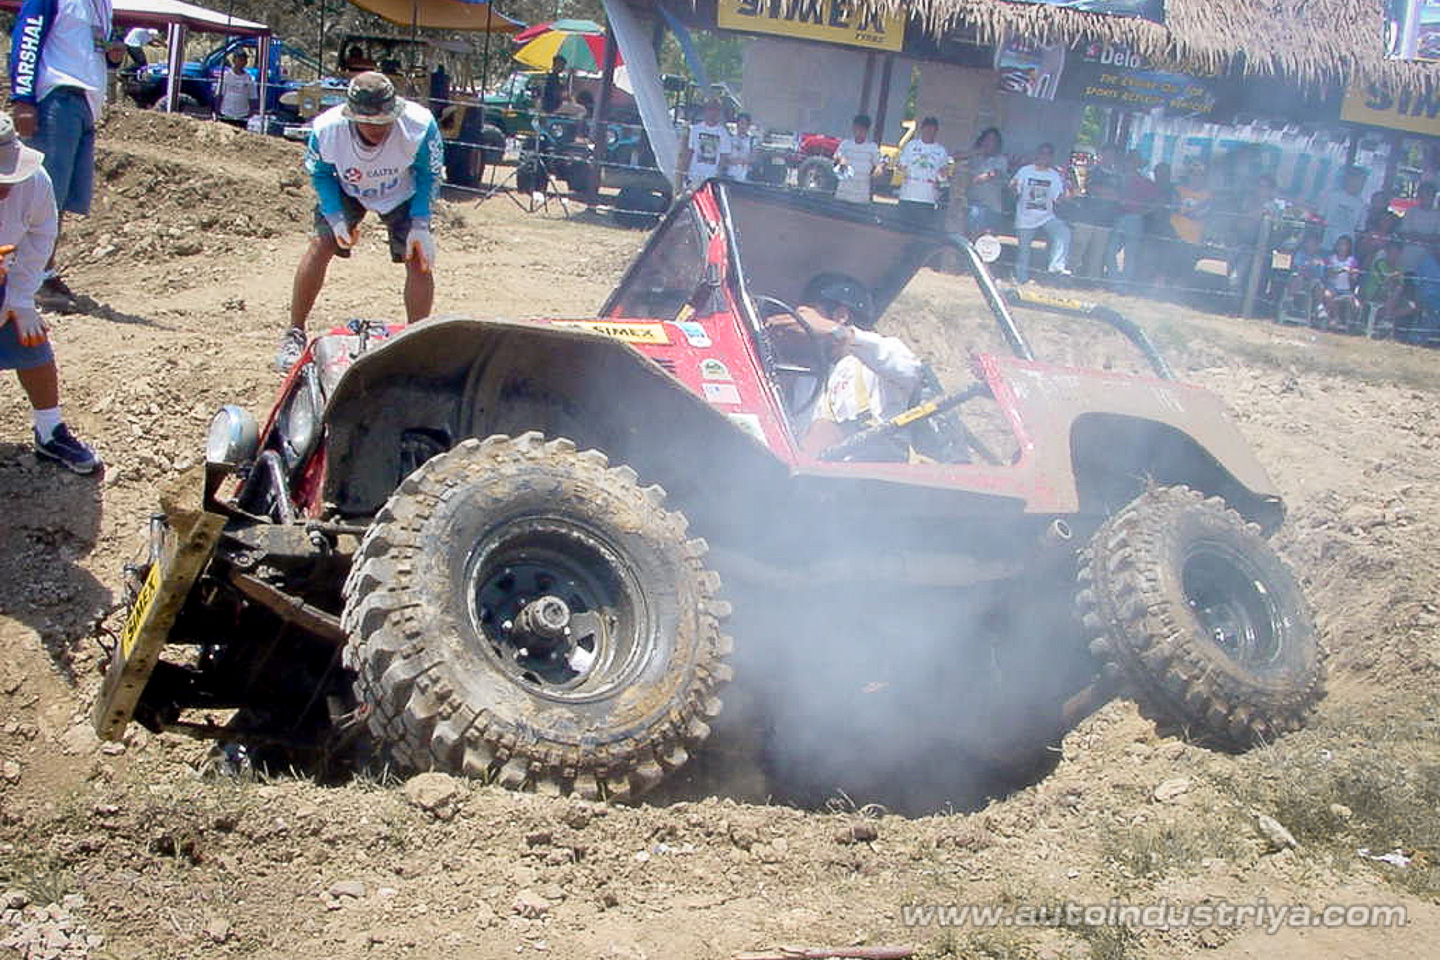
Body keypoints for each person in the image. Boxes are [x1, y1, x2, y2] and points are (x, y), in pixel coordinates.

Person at [277, 72, 442, 372]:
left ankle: (420, 341)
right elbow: (321, 173)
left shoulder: (420, 126)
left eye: (385, 120)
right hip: (347, 189)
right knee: (321, 244)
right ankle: (294, 332)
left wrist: (420, 223)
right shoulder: (328, 130)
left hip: (402, 191)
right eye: (370, 122)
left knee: (419, 259)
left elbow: (429, 174)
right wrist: (335, 216)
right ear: (352, 116)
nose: (379, 128)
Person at [9, 0, 125, 312]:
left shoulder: (102, 4)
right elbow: (28, 36)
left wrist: (112, 58)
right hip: (57, 97)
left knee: (60, 199)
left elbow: (85, 47)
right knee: (43, 195)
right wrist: (23, 98)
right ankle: (29, 280)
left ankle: (44, 273)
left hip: (85, 103)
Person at [0, 114, 98, 473]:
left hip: (5, 280)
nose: (6, 189)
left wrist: (20, 300)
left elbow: (39, 242)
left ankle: (49, 431)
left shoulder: (36, 184)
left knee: (32, 343)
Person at [775, 274, 922, 459]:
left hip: (878, 470)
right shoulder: (806, 378)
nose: (800, 326)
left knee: (825, 429)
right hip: (823, 477)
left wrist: (836, 331)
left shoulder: (878, 359)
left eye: (806, 318)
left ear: (841, 316)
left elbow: (912, 369)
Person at [1010, 143, 1071, 284]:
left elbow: (1059, 199)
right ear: (1037, 154)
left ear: (1051, 157)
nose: (1044, 156)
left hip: (1046, 217)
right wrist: (1013, 186)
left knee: (1063, 232)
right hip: (1025, 217)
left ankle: (1056, 267)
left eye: (1048, 154)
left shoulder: (1054, 175)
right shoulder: (1025, 171)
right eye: (1042, 153)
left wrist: (1068, 187)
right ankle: (1021, 279)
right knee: (1024, 251)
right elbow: (1014, 190)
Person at [1105, 152, 1160, 288]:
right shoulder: (1117, 178)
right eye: (1129, 160)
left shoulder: (1145, 182)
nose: (1130, 163)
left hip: (1134, 218)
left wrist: (1142, 212)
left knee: (1130, 253)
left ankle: (1121, 283)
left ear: (1137, 164)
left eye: (1133, 161)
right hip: (1118, 217)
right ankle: (1115, 280)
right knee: (1111, 250)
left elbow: (1157, 202)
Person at [894, 116, 950, 228]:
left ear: (936, 131)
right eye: (927, 128)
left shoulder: (941, 151)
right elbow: (901, 166)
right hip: (908, 195)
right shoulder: (911, 146)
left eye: (932, 129)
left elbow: (944, 178)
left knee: (921, 231)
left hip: (927, 198)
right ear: (922, 129)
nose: (929, 132)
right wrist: (900, 169)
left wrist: (942, 183)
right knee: (902, 228)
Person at [1065, 171, 1118, 283]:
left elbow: (1117, 195)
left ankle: (1092, 280)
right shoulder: (1093, 171)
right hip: (1086, 218)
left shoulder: (1118, 174)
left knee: (1098, 254)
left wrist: (1106, 193)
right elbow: (1090, 188)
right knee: (1077, 248)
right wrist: (1106, 192)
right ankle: (1069, 275)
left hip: (1105, 221)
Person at [1166, 163, 1212, 286]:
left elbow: (1202, 214)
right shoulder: (1177, 190)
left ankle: (1176, 296)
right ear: (1188, 175)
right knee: (1167, 270)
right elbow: (1174, 207)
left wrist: (1185, 210)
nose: (1196, 177)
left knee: (1184, 275)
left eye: (1199, 174)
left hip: (1194, 241)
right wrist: (1190, 210)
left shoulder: (1208, 195)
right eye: (1193, 173)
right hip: (1173, 236)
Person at [675, 99, 730, 192]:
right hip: (694, 176)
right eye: (710, 109)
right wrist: (685, 173)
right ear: (705, 111)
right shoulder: (695, 129)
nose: (712, 113)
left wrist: (717, 175)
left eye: (715, 110)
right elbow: (689, 152)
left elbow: (723, 156)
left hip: (711, 179)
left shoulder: (723, 133)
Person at [961, 126, 1007, 235]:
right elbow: (955, 157)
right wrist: (977, 151)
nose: (990, 143)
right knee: (972, 228)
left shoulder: (1001, 159)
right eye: (987, 139)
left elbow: (997, 173)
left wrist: (985, 176)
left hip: (992, 207)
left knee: (987, 239)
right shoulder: (975, 158)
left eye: (993, 140)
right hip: (973, 203)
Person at [833, 113, 881, 206]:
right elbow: (836, 156)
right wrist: (841, 159)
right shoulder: (846, 144)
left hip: (861, 195)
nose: (858, 132)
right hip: (843, 192)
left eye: (862, 129)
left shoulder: (872, 147)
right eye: (856, 128)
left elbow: (879, 164)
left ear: (867, 131)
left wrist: (878, 169)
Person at [1317, 234, 1360, 330]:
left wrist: (1351, 272)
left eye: (1345, 245)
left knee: (1356, 305)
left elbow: (1355, 277)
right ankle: (1333, 318)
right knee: (1328, 295)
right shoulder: (1331, 259)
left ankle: (1347, 324)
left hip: (1346, 289)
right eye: (1340, 244)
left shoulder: (1352, 261)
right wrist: (1335, 271)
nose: (1342, 247)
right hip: (1333, 286)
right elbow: (1326, 273)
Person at [1319, 166, 1368, 251]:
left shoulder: (1362, 205)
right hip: (1326, 245)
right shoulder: (1332, 196)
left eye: (1362, 181)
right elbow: (1319, 218)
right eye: (1356, 179)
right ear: (1348, 179)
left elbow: (1360, 230)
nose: (1359, 184)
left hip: (1345, 251)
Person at [1282, 230, 1325, 318]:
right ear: (1305, 244)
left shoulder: (1318, 258)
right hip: (1298, 280)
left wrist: (1318, 266)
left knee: (1319, 285)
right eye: (1311, 243)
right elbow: (1298, 267)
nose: (1313, 246)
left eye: (1316, 244)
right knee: (1297, 277)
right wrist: (1309, 264)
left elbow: (1320, 274)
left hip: (1311, 283)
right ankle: (1289, 300)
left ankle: (1319, 307)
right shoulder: (1300, 254)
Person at [1399, 181, 1440, 272]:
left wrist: (1418, 236)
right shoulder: (1410, 212)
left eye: (1429, 194)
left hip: (1430, 253)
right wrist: (1427, 237)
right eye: (1424, 194)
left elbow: (1437, 237)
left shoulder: (1438, 214)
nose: (1426, 197)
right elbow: (1405, 234)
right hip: (1409, 250)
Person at [213, 51, 257, 128]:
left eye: (244, 60)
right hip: (226, 113)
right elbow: (219, 94)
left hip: (242, 115)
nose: (242, 62)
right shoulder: (226, 76)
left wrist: (251, 112)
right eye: (240, 60)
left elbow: (252, 97)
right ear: (234, 60)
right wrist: (216, 110)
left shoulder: (249, 78)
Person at [725, 112, 756, 181]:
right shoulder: (730, 139)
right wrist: (731, 160)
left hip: (745, 175)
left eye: (745, 124)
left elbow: (754, 158)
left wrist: (742, 161)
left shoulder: (752, 141)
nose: (742, 126)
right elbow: (725, 156)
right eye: (740, 123)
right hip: (730, 174)